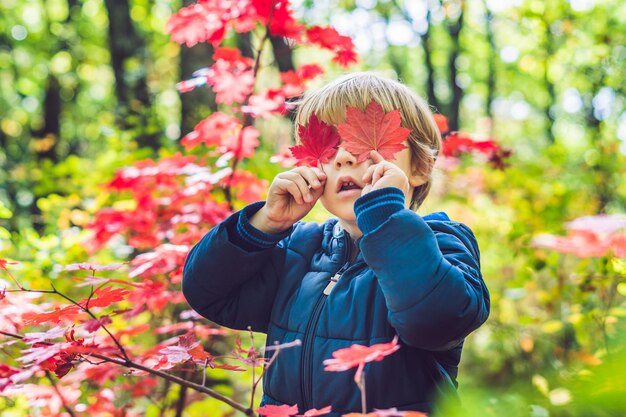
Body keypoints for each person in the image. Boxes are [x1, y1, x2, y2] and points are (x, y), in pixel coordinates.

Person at [182, 72, 490, 415]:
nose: (343, 157)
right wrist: (265, 224)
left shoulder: (441, 239)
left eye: (363, 141)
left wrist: (385, 216)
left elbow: (438, 321)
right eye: (328, 147)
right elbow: (208, 293)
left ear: (419, 167)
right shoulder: (299, 250)